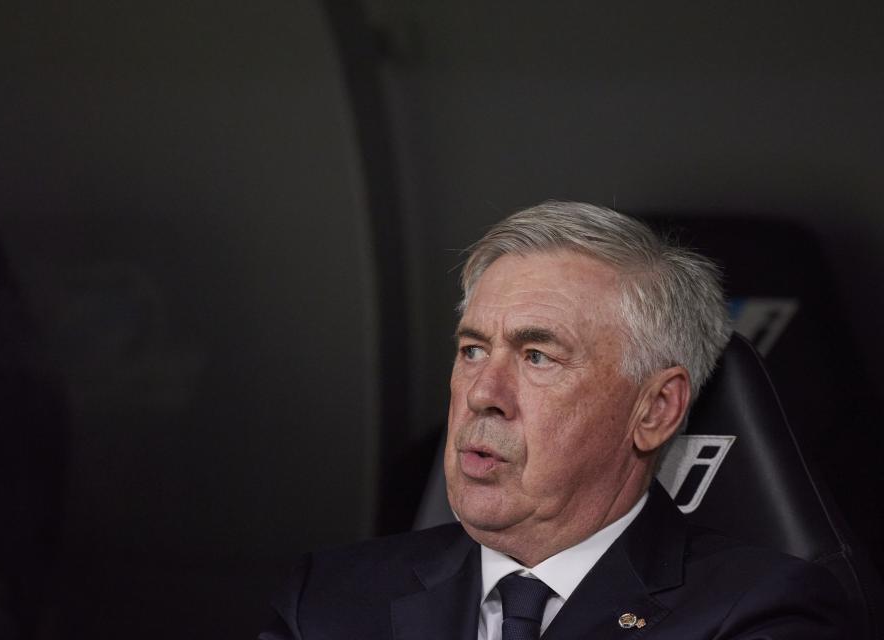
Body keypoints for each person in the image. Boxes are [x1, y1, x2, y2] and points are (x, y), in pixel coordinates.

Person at [260, 202, 849, 639]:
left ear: (654, 410)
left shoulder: (760, 612)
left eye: (537, 356)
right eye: (472, 350)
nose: (482, 394)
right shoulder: (329, 599)